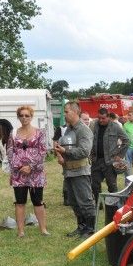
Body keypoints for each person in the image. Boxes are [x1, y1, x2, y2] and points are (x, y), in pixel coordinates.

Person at [53, 102, 95, 238]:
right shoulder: (69, 130)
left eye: (66, 112)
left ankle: (90, 229)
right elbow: (64, 145)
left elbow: (84, 151)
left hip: (80, 171)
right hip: (69, 171)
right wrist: (60, 153)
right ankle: (81, 227)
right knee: (74, 201)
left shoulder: (84, 130)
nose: (64, 114)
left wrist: (65, 151)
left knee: (85, 201)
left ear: (75, 112)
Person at [8, 105, 49, 237]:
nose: (24, 118)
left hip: (36, 173)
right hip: (18, 173)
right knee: (20, 202)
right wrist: (18, 167)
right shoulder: (13, 133)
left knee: (38, 201)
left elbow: (43, 152)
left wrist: (31, 166)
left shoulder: (40, 132)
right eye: (21, 115)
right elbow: (10, 152)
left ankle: (43, 229)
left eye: (27, 115)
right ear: (18, 117)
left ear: (31, 117)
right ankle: (20, 231)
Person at [89, 107, 129, 205]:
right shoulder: (94, 125)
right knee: (94, 185)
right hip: (96, 160)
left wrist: (120, 155)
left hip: (109, 162)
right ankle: (99, 204)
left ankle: (114, 205)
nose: (101, 120)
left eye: (103, 118)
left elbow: (126, 140)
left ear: (108, 117)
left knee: (112, 185)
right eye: (99, 118)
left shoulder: (115, 127)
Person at [122, 109, 133, 174]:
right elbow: (123, 136)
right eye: (128, 115)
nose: (128, 117)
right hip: (128, 148)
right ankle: (129, 182)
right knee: (128, 166)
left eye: (130, 115)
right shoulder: (125, 125)